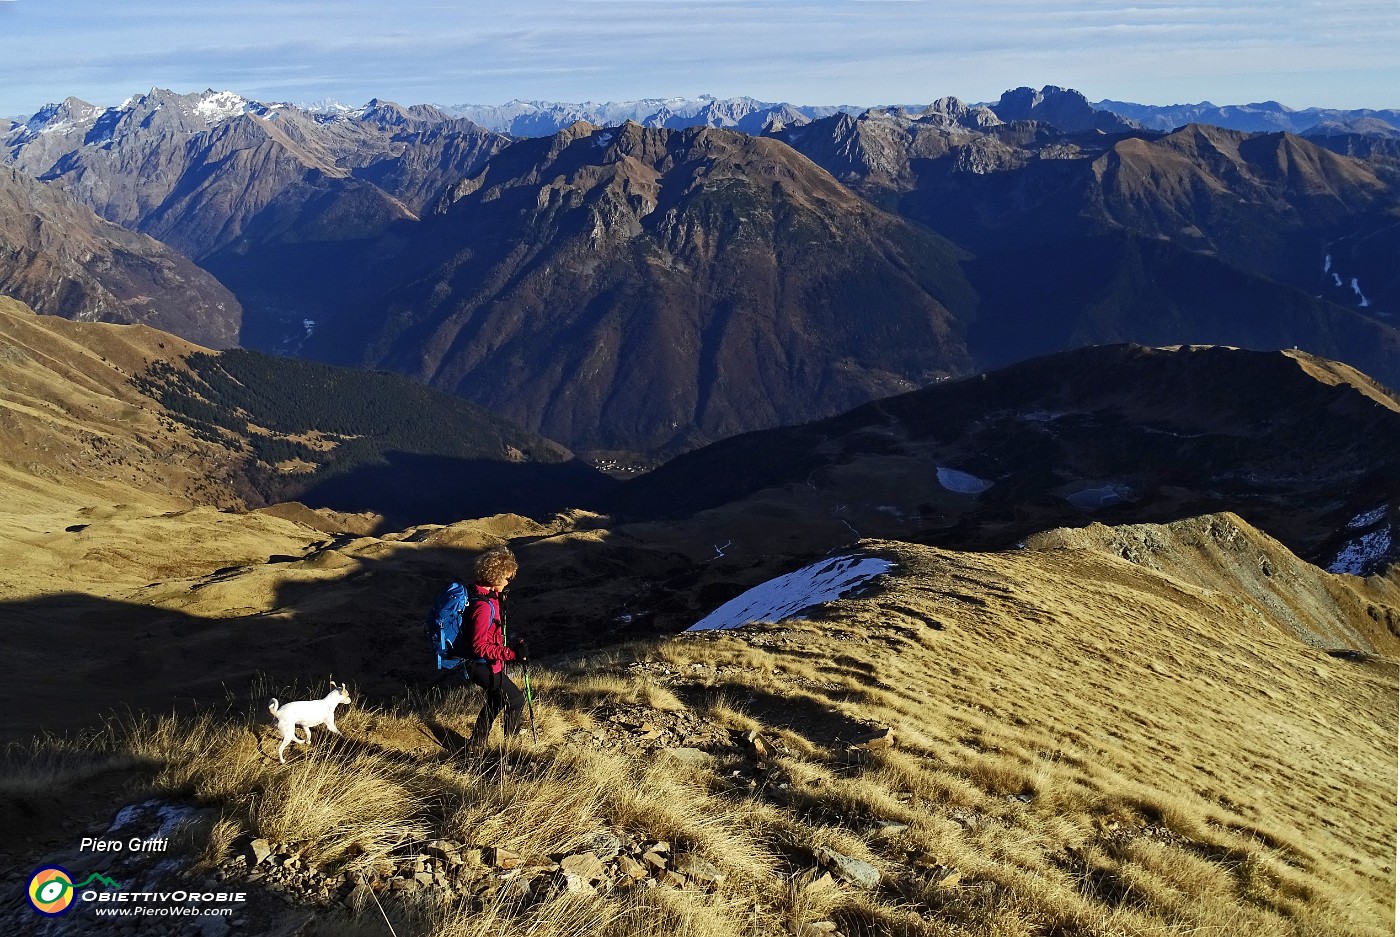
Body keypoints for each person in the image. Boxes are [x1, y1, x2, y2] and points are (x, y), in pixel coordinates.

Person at [458, 546, 529, 747]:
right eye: (506, 578)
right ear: (495, 577)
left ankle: (476, 744)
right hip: (482, 665)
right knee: (515, 701)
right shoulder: (482, 607)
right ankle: (510, 749)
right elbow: (478, 646)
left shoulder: (485, 595)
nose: (509, 582)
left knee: (496, 700)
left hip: (485, 665)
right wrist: (511, 653)